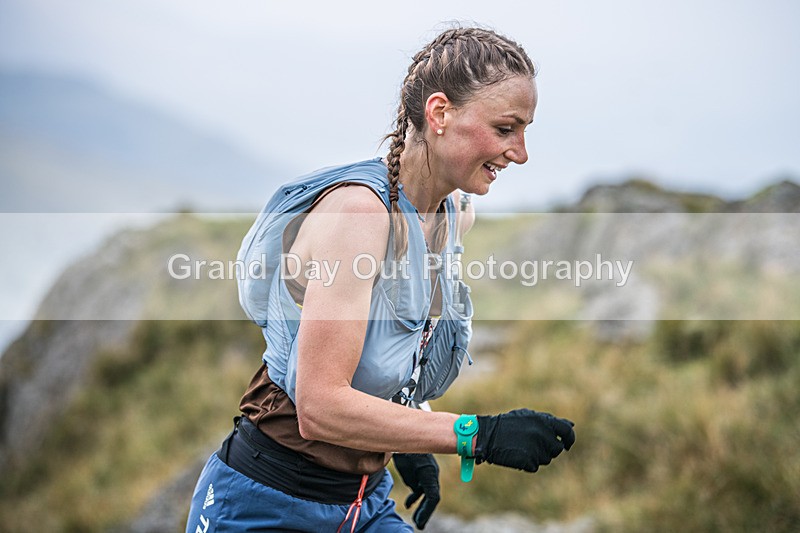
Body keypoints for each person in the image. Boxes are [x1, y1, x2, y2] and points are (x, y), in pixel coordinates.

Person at [186, 26, 575, 532]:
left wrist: (407, 440)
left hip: (365, 504)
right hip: (266, 503)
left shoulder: (454, 214)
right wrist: (476, 435)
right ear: (439, 114)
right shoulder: (359, 216)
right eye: (506, 129)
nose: (520, 152)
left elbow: (392, 348)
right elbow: (320, 407)